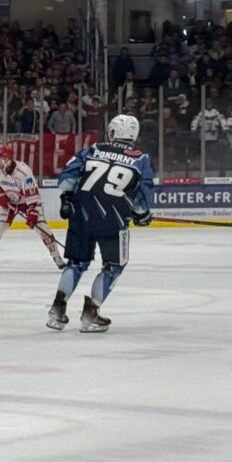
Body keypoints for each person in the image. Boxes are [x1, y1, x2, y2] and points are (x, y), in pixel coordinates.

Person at [47, 114, 155, 333]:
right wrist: (142, 214)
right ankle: (91, 314)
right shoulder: (141, 159)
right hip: (113, 220)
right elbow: (142, 193)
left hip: (82, 214)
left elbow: (67, 177)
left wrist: (67, 198)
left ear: (113, 132)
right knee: (114, 267)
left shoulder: (94, 149)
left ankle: (57, 309)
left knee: (76, 264)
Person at [0, 144, 64, 270]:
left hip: (28, 202)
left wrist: (32, 212)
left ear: (7, 158)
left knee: (43, 229)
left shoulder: (24, 172)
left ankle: (56, 256)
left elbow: (32, 194)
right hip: (10, 203)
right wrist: (1, 195)